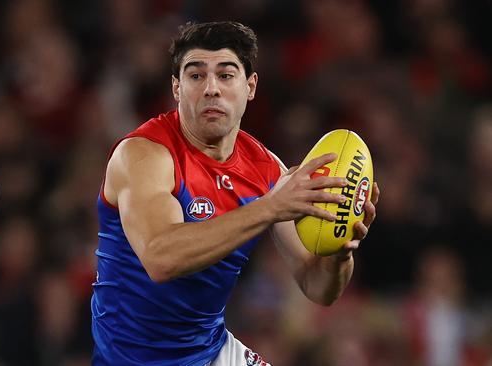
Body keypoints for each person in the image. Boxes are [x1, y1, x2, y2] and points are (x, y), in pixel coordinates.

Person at [91, 21, 380, 365]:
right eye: (196, 76)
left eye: (226, 75)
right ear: (177, 88)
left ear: (250, 86)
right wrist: (268, 207)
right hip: (132, 358)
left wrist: (339, 249)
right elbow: (161, 258)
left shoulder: (265, 169)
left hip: (211, 351)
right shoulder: (144, 155)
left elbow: (318, 288)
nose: (211, 88)